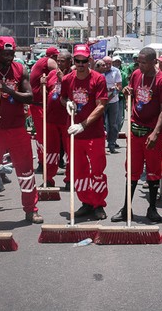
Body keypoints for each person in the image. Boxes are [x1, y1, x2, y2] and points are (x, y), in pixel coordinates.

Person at [0, 36, 42, 228]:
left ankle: (31, 209)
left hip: (17, 128)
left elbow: (29, 97)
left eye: (12, 53)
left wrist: (8, 91)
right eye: (5, 53)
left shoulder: (21, 70)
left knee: (26, 171)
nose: (10, 57)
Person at [111, 47, 162, 223]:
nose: (140, 65)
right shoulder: (137, 74)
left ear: (154, 62)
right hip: (135, 128)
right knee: (132, 171)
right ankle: (125, 209)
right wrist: (127, 91)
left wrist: (156, 133)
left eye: (144, 62)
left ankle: (152, 209)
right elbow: (131, 92)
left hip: (152, 132)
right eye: (139, 61)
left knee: (153, 172)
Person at [60, 44, 109, 219]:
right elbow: (62, 97)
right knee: (78, 171)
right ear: (74, 61)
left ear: (89, 60)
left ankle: (98, 204)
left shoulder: (98, 79)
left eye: (84, 61)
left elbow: (101, 105)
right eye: (77, 61)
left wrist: (83, 124)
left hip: (93, 134)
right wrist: (66, 103)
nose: (80, 64)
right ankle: (86, 203)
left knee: (97, 170)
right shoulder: (67, 79)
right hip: (74, 134)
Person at [29, 47, 58, 181]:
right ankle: (43, 162)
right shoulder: (48, 61)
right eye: (58, 58)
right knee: (44, 136)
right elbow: (59, 73)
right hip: (39, 105)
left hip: (39, 104)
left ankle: (45, 161)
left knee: (43, 135)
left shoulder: (40, 63)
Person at [102, 56, 122, 154]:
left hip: (113, 101)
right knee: (101, 124)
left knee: (113, 124)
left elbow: (119, 87)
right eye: (106, 63)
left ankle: (111, 144)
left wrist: (110, 96)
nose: (108, 65)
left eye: (110, 63)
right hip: (101, 102)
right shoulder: (99, 70)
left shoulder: (116, 71)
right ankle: (101, 145)